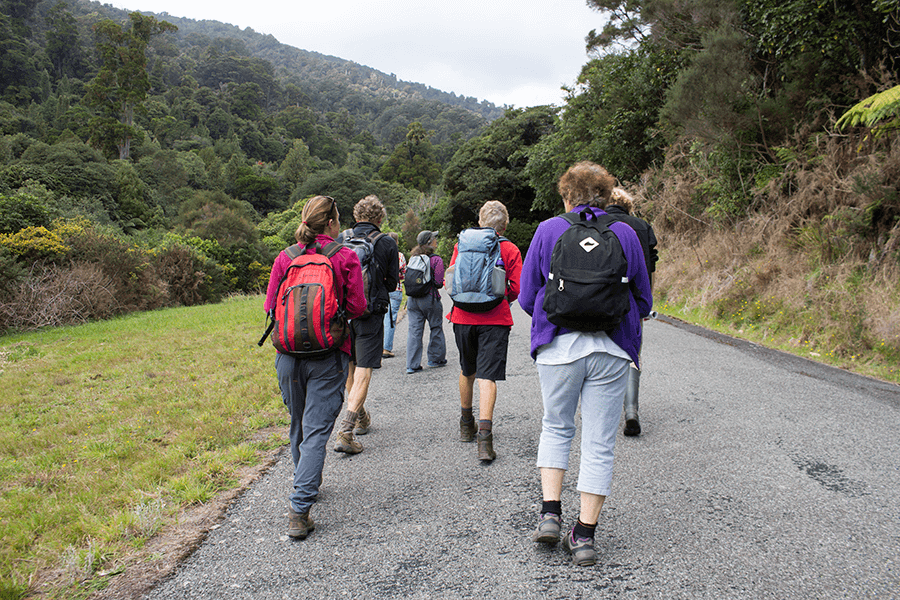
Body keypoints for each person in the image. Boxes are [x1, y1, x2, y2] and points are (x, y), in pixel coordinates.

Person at [519, 162, 652, 566]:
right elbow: (643, 299)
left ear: (566, 196)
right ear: (607, 195)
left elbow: (527, 296)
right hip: (611, 349)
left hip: (558, 347)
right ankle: (585, 535)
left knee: (556, 426)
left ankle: (550, 515)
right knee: (598, 441)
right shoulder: (626, 233)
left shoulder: (547, 229)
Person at [263, 195, 367, 539]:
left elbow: (269, 307)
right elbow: (356, 306)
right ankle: (299, 508)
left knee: (299, 424)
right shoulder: (344, 256)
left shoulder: (285, 257)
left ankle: (305, 484)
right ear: (333, 223)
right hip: (328, 354)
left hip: (288, 356)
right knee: (318, 431)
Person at [447, 201, 522, 462]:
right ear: (505, 224)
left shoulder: (462, 245)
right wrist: (499, 297)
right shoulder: (510, 248)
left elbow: (452, 279)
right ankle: (485, 440)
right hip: (495, 319)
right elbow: (516, 288)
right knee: (487, 376)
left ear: (480, 222)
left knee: (468, 370)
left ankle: (466, 423)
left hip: (462, 316)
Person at [334, 195, 400, 455]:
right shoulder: (385, 242)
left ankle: (360, 415)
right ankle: (347, 430)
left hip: (342, 314)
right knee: (364, 369)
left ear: (356, 216)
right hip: (370, 313)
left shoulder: (342, 239)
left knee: (350, 367)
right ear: (380, 218)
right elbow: (393, 284)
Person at [606, 187, 658, 436]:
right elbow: (650, 266)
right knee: (632, 354)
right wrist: (645, 303)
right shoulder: (642, 226)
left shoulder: (596, 225)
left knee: (603, 354)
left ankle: (605, 410)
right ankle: (631, 411)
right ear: (628, 205)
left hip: (601, 301)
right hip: (634, 302)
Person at [405, 230, 447, 374]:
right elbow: (438, 282)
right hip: (429, 298)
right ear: (430, 242)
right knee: (435, 327)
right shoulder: (436, 260)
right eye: (434, 238)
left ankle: (412, 364)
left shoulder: (413, 257)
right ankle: (435, 359)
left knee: (414, 331)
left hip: (412, 300)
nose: (436, 240)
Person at [383, 232, 406, 359]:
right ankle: (386, 348)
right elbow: (403, 273)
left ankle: (378, 346)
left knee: (381, 318)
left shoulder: (380, 254)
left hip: (382, 289)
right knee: (390, 319)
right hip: (395, 289)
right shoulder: (399, 255)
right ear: (396, 242)